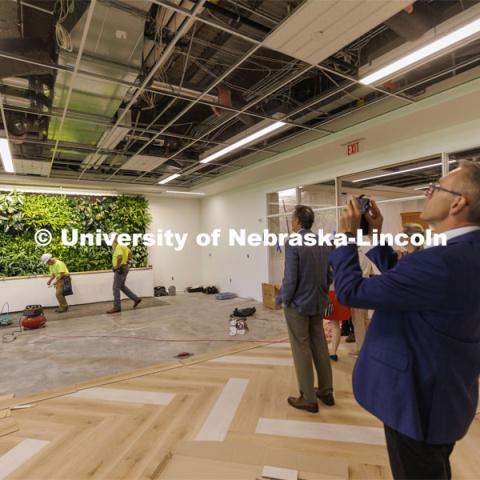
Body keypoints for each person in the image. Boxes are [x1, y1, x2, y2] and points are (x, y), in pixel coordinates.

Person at [329, 160, 480, 479]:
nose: (428, 191)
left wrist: (345, 238)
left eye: (436, 187)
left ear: (458, 202)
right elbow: (408, 283)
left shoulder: (441, 262)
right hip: (447, 395)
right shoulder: (462, 253)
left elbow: (351, 292)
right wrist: (376, 236)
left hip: (417, 401)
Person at [276, 205, 334, 413]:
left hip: (298, 305)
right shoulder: (323, 242)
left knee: (301, 348)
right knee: (319, 345)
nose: (291, 221)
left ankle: (308, 398)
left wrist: (283, 299)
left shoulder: (293, 243)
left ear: (298, 221)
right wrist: (322, 294)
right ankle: (326, 391)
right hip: (318, 303)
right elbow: (329, 275)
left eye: (292, 218)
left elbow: (290, 279)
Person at [107, 235, 141, 314]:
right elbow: (130, 253)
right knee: (121, 286)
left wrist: (117, 267)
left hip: (120, 268)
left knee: (115, 288)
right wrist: (127, 261)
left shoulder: (118, 247)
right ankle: (136, 299)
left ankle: (117, 307)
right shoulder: (123, 246)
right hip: (125, 267)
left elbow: (119, 257)